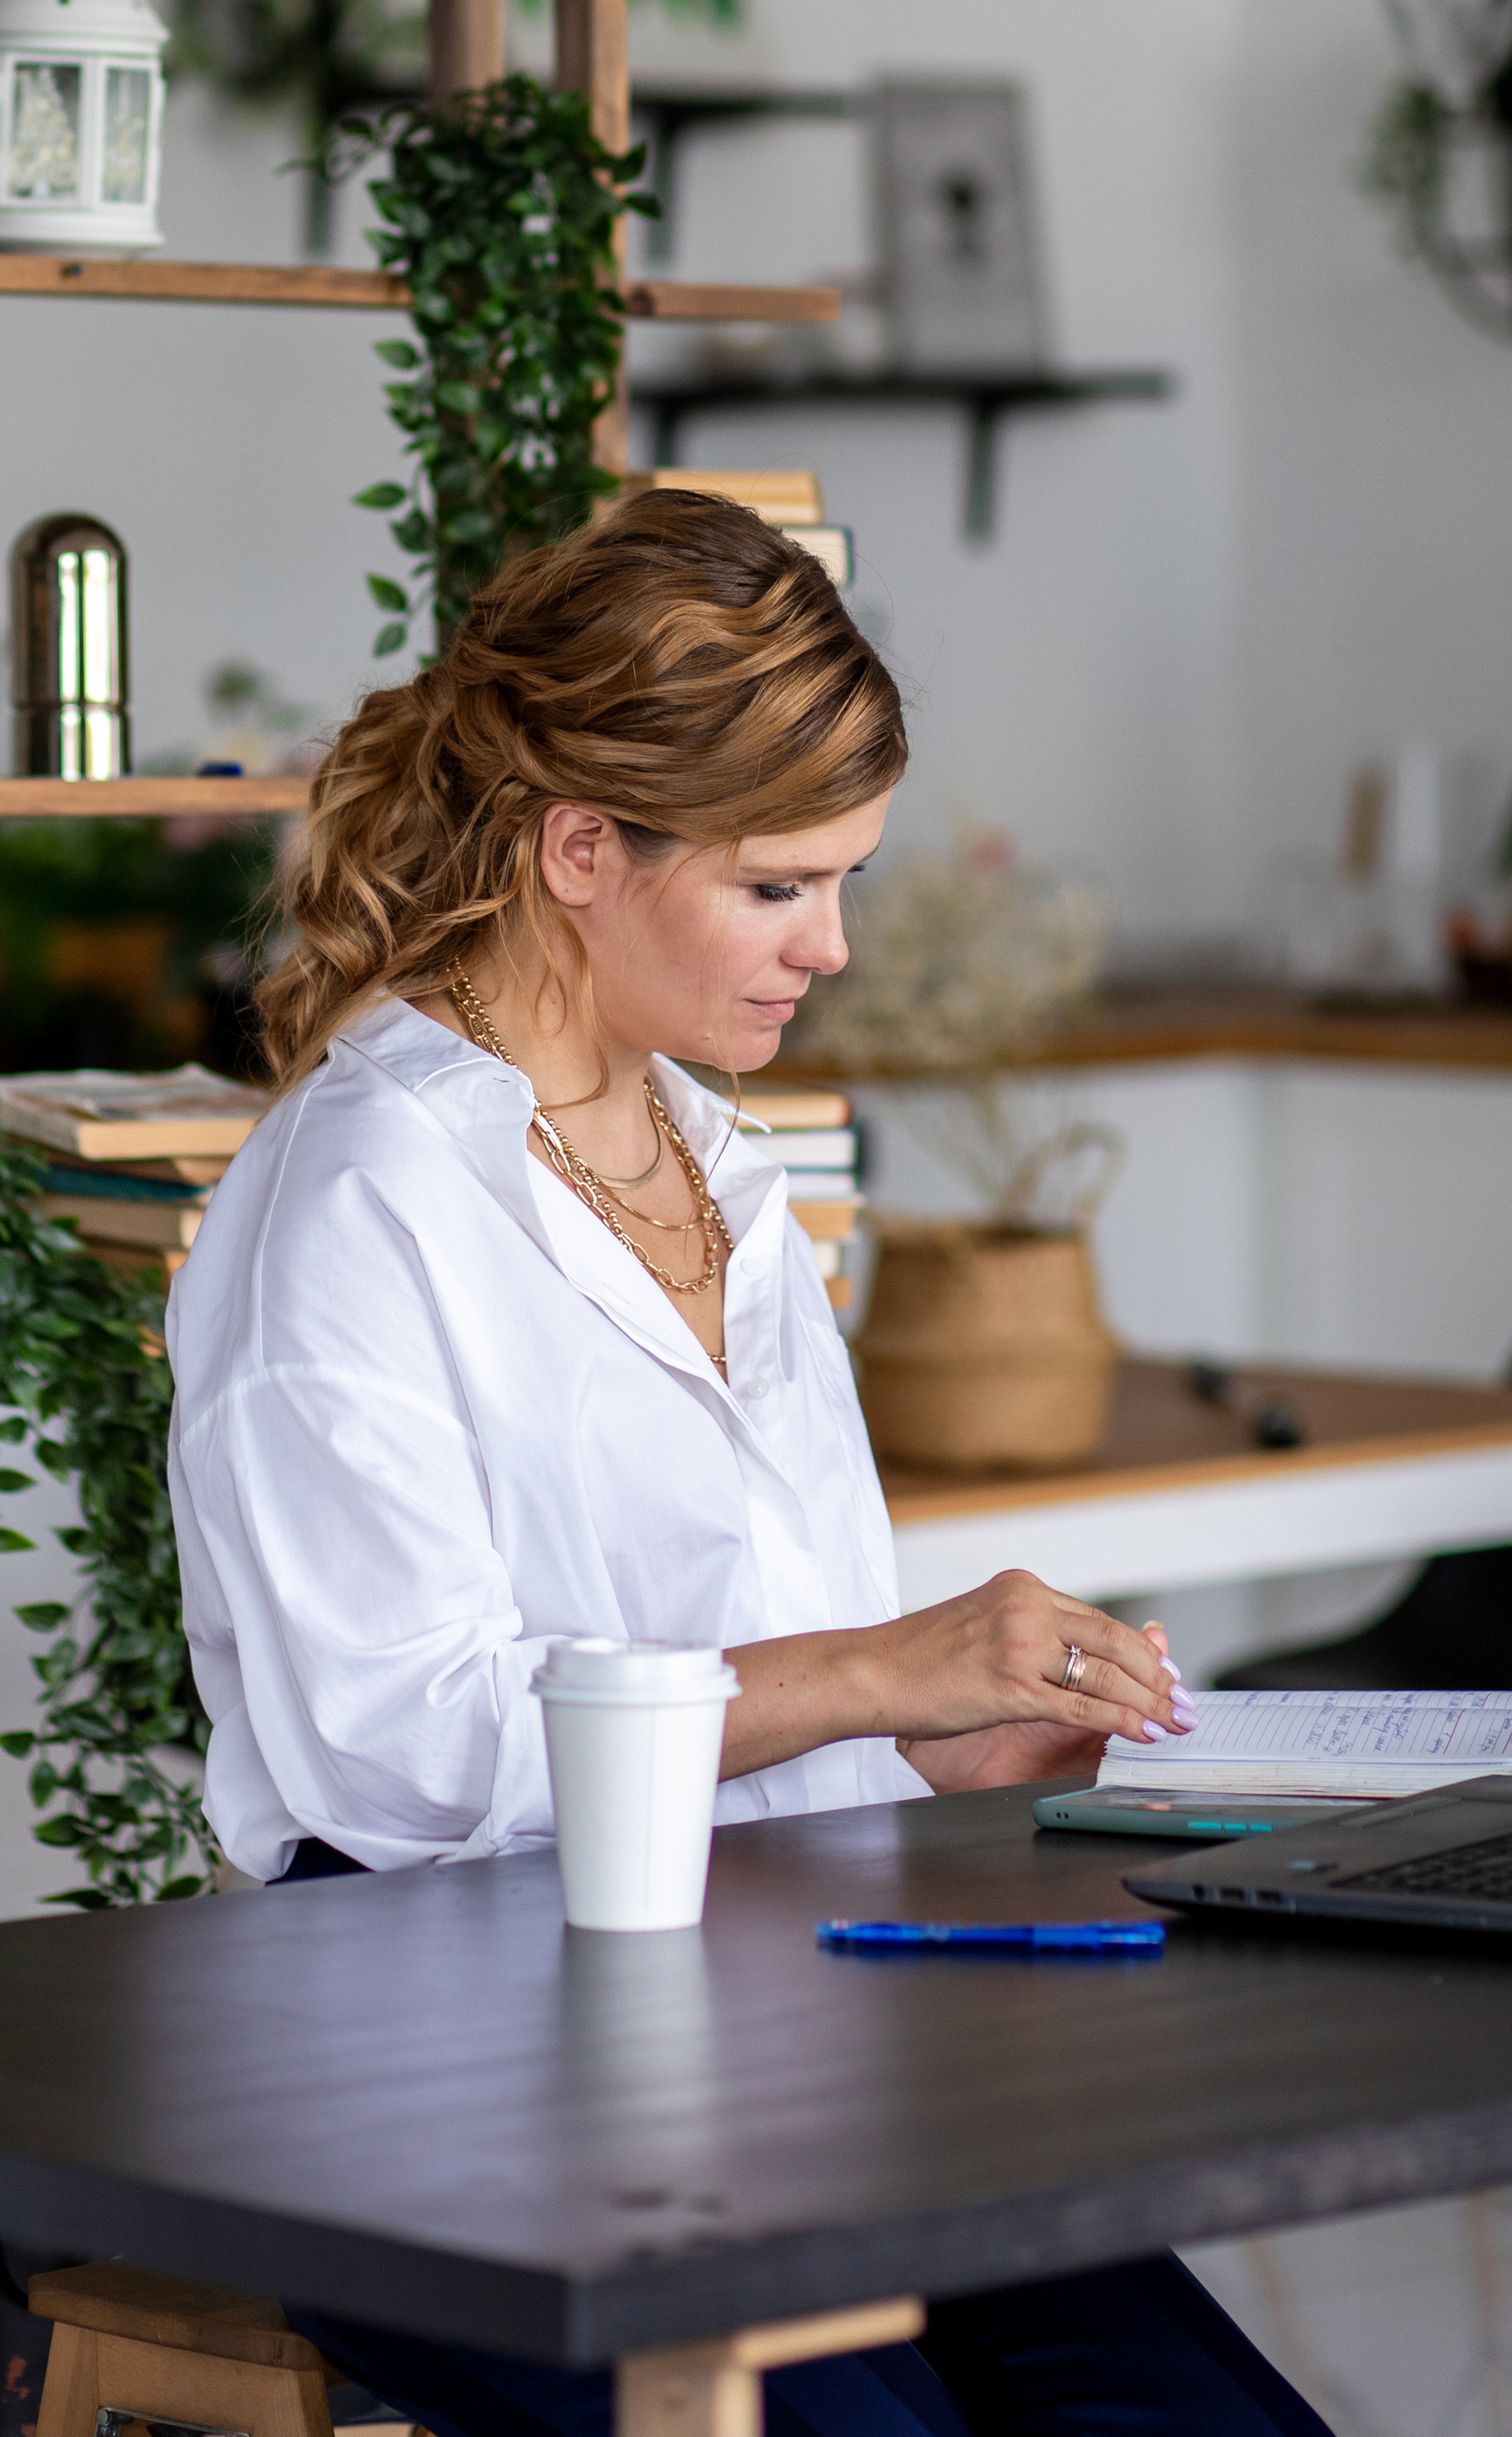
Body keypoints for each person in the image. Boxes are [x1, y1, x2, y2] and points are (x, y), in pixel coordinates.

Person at [167, 491, 1330, 2437]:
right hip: (427, 2076)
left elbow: (767, 1653)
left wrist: (932, 1742)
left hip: (782, 2024)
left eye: (843, 882)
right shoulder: (360, 1192)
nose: (835, 947)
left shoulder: (719, 1159)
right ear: (577, 852)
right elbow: (399, 1751)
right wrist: (879, 1671)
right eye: (781, 887)